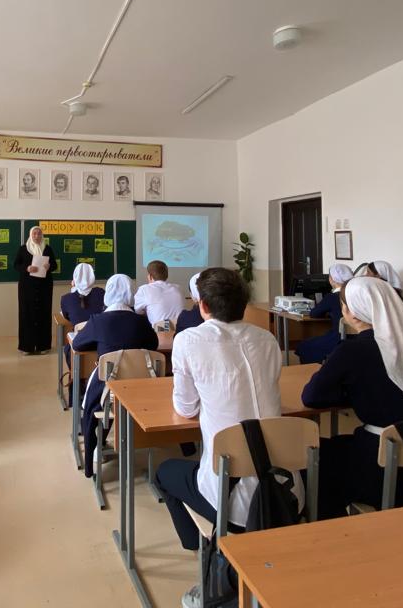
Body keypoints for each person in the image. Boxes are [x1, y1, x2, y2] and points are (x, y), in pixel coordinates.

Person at [154, 268, 281, 608]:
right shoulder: (268, 339)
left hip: (231, 495)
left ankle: (207, 553)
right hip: (284, 487)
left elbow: (185, 407)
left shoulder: (189, 340)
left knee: (164, 474)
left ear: (204, 306)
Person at [301, 277, 403, 517]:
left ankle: (333, 528)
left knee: (314, 457)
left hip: (382, 465)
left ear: (351, 313)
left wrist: (347, 392)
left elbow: (311, 397)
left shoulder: (351, 350)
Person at [73, 274, 160, 474]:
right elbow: (153, 345)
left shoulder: (98, 320)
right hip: (141, 389)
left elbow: (77, 344)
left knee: (90, 406)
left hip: (107, 390)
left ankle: (94, 452)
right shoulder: (141, 321)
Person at [296, 264, 353, 364]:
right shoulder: (357, 294)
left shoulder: (332, 297)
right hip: (355, 338)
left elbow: (314, 313)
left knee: (304, 346)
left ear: (332, 279)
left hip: (338, 338)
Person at [13, 226, 57, 354]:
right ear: (30, 235)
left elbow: (54, 265)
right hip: (27, 287)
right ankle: (26, 347)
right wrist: (27, 268)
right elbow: (16, 265)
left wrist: (49, 266)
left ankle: (43, 346)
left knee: (44, 314)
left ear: (42, 235)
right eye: (34, 234)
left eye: (39, 233)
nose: (37, 236)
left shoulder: (47, 249)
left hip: (44, 287)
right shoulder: (23, 249)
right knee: (26, 314)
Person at [134, 260, 183, 327]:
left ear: (150, 276)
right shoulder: (178, 288)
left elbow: (138, 311)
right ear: (166, 275)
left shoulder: (144, 289)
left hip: (161, 329)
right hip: (181, 327)